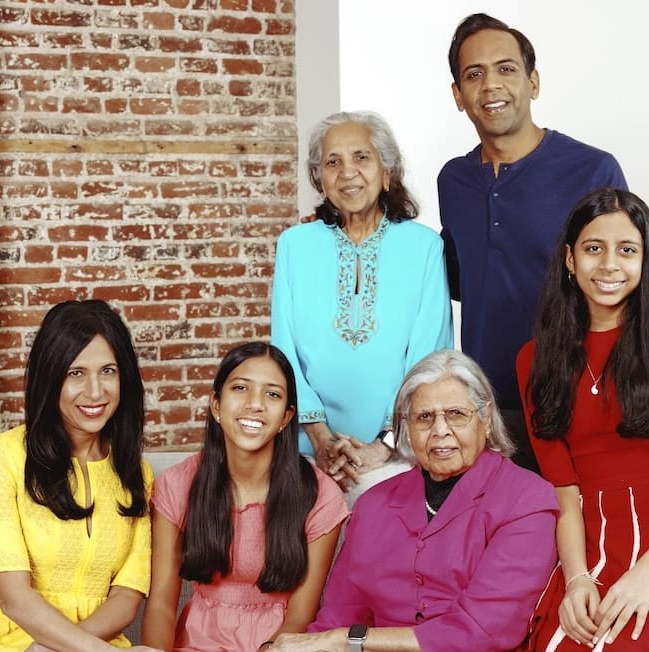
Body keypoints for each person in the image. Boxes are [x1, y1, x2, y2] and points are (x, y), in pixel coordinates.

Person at [516, 188, 649, 650]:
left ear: (645, 261)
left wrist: (646, 575)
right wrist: (576, 578)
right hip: (588, 534)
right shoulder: (534, 361)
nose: (610, 264)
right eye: (594, 248)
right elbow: (564, 492)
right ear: (570, 260)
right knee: (567, 640)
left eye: (627, 250)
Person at [267, 349, 559, 652]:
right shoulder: (373, 505)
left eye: (456, 414)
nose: (440, 431)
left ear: (485, 420)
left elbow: (484, 631)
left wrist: (347, 640)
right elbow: (338, 617)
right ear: (406, 428)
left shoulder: (526, 500)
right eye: (424, 418)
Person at [438, 13, 627, 472]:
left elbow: (630, 274)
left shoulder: (593, 171)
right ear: (458, 96)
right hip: (489, 407)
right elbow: (457, 278)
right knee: (507, 540)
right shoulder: (454, 181)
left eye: (506, 69)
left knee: (585, 541)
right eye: (474, 74)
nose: (491, 86)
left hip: (578, 397)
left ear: (533, 82)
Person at [0, 300, 160, 651]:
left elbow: (126, 596)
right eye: (76, 373)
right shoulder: (4, 455)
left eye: (108, 371)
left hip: (89, 642)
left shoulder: (137, 474)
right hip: (3, 640)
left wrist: (67, 647)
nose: (95, 392)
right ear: (50, 376)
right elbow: (13, 597)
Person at [272, 110, 453, 500]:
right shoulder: (294, 246)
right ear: (318, 178)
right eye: (332, 162)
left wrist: (385, 444)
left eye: (361, 157)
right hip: (307, 448)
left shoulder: (424, 248)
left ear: (388, 172)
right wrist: (320, 439)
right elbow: (283, 350)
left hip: (401, 449)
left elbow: (430, 358)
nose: (347, 171)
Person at [141, 342, 349, 652]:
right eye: (240, 388)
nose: (255, 404)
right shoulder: (176, 485)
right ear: (216, 405)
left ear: (286, 417)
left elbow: (300, 617)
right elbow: (160, 603)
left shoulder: (320, 496)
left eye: (273, 394)